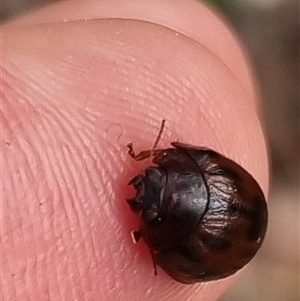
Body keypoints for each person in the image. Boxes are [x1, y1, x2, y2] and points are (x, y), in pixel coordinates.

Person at [2, 0, 269, 300]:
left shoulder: (201, 180)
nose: (141, 189)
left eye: (150, 210)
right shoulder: (198, 179)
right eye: (160, 172)